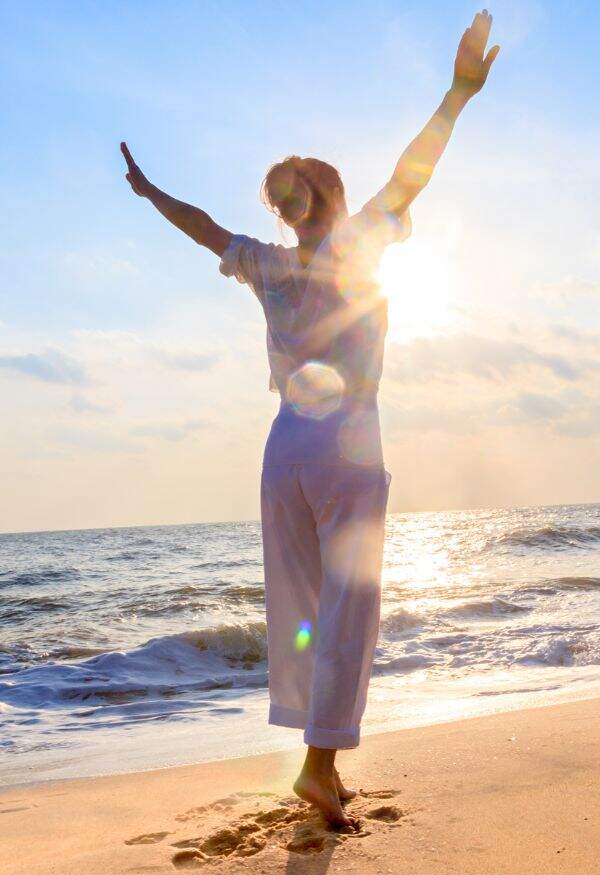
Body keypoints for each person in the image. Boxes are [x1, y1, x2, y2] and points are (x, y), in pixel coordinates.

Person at [121, 11, 499, 829]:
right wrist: (459, 93)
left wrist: (150, 192)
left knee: (297, 604)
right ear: (330, 197)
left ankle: (314, 756)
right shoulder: (357, 243)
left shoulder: (266, 261)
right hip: (347, 437)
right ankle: (319, 767)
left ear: (289, 206)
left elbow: (201, 229)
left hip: (283, 444)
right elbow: (413, 172)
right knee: (348, 604)